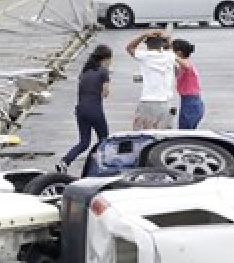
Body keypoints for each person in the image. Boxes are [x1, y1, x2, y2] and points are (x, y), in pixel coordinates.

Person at [56, 45, 113, 173]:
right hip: (94, 110)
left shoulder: (85, 71)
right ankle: (102, 166)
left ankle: (65, 161)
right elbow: (105, 93)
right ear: (105, 59)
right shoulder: (104, 72)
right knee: (104, 140)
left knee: (84, 142)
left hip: (81, 110)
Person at [126, 30, 178, 130]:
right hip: (165, 102)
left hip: (147, 101)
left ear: (147, 45)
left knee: (142, 134)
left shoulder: (144, 56)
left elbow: (130, 48)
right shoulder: (170, 56)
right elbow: (170, 47)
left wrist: (143, 35)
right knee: (164, 136)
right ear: (162, 44)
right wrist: (166, 38)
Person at [172, 38, 204, 129]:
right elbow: (177, 72)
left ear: (179, 53)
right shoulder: (182, 67)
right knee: (187, 131)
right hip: (189, 102)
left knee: (184, 132)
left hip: (191, 103)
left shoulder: (187, 64)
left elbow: (186, 65)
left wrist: (171, 56)